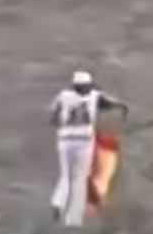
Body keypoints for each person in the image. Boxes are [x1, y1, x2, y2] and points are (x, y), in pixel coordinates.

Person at [49, 71, 129, 227]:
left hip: (65, 140)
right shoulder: (94, 96)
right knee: (80, 177)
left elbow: (53, 117)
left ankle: (57, 203)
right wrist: (122, 106)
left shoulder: (63, 96)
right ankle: (73, 219)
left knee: (65, 175)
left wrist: (61, 121)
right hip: (84, 140)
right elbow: (111, 102)